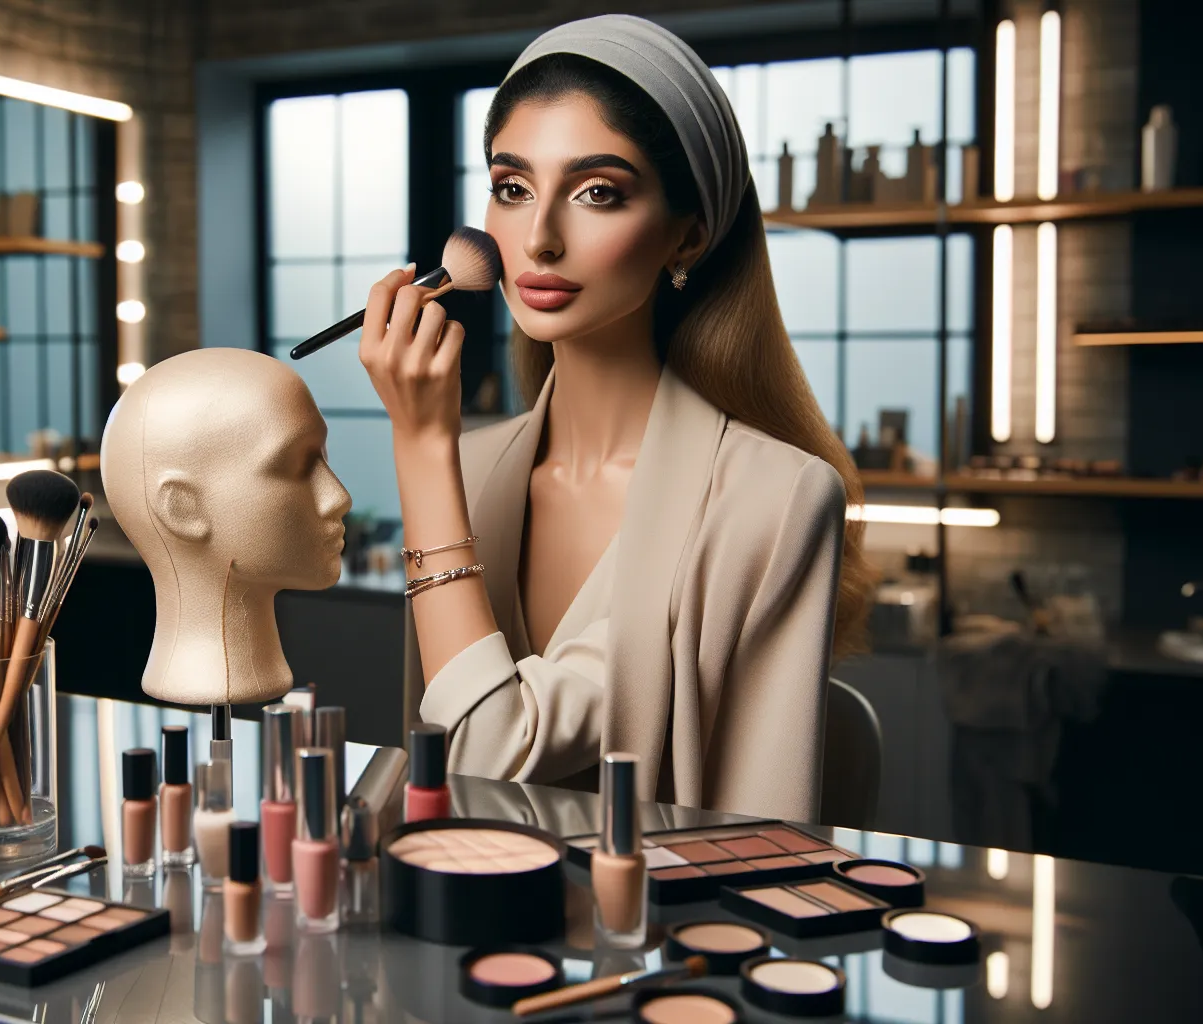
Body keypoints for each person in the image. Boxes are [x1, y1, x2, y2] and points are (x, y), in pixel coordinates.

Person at [361, 15, 871, 820]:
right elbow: (438, 786)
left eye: (598, 192)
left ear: (688, 235)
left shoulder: (778, 500)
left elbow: (490, 749)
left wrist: (422, 443)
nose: (539, 239)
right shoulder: (470, 471)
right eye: (512, 188)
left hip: (664, 933)